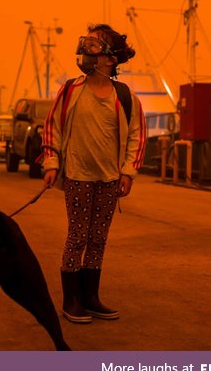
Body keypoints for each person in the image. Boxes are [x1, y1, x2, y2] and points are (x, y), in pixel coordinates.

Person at [42, 24, 146, 323]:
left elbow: (137, 137)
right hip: (77, 176)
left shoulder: (125, 97)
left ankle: (90, 296)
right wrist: (51, 163)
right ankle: (71, 299)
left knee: (98, 238)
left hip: (110, 180)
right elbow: (53, 128)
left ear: (110, 59)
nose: (87, 50)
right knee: (77, 237)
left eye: (95, 45)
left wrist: (128, 173)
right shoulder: (71, 90)